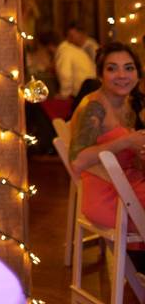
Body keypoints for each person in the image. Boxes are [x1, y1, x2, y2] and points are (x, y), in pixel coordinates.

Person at [69, 42, 145, 257]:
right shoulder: (95, 106)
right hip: (108, 197)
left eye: (129, 68)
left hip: (127, 188)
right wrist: (127, 142)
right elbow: (77, 161)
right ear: (100, 75)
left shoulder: (128, 104)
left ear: (138, 74)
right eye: (112, 68)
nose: (122, 75)